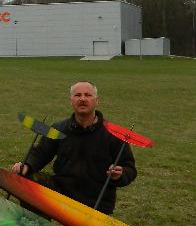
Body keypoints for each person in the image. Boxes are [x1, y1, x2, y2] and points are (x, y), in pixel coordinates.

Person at [11, 81, 136, 214]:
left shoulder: (113, 134)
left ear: (96, 100)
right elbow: (41, 152)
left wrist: (119, 175)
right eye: (77, 95)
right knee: (30, 181)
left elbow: (129, 168)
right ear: (71, 101)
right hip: (62, 191)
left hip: (96, 200)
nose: (82, 99)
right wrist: (27, 165)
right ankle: (38, 224)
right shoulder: (59, 128)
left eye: (88, 95)